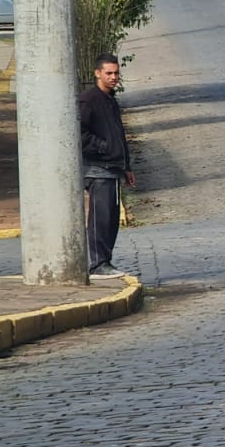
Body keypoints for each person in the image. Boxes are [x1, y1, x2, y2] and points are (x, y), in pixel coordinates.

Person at [78, 53, 134, 279]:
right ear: (97, 73)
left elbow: (119, 135)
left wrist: (126, 166)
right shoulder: (88, 100)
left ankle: (105, 261)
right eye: (109, 73)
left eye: (116, 73)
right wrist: (103, 147)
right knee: (99, 218)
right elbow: (80, 134)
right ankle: (97, 263)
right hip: (96, 169)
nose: (113, 77)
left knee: (110, 219)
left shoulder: (111, 100)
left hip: (113, 169)